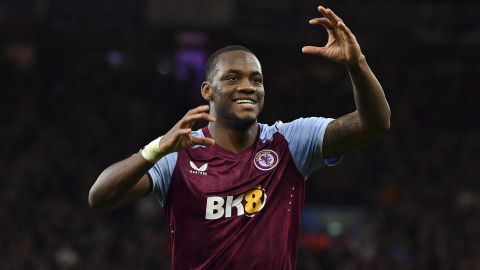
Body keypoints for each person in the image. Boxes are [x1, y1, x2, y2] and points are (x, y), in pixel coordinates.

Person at [88, 6, 390, 270]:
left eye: (256, 80)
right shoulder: (179, 153)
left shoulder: (290, 142)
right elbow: (99, 197)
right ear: (207, 90)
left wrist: (357, 64)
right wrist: (156, 149)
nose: (248, 87)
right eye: (233, 78)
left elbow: (373, 124)